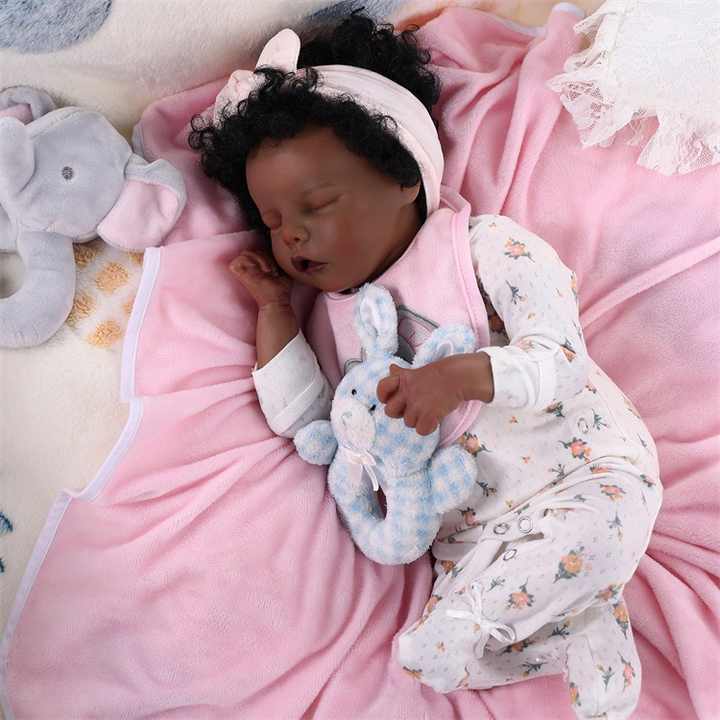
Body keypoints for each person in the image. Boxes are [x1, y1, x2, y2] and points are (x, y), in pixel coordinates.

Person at [189, 11, 661, 719]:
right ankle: (582, 627)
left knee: (576, 545)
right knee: (452, 653)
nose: (293, 236)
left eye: (317, 204)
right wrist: (274, 312)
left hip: (586, 475)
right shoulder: (334, 319)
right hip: (473, 539)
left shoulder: (483, 247)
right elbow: (312, 424)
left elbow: (561, 358)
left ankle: (509, 611)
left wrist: (458, 377)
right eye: (274, 221)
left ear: (403, 177)